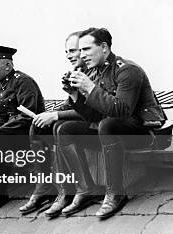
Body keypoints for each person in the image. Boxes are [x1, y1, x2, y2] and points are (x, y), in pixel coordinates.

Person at [57, 27, 166, 218]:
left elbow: (121, 111)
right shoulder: (96, 72)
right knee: (66, 129)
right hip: (111, 134)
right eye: (80, 50)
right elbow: (93, 116)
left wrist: (90, 88)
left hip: (145, 134)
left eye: (87, 49)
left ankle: (115, 192)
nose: (82, 55)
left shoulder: (127, 70)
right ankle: (85, 189)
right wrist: (75, 95)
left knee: (107, 124)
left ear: (104, 47)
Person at [21, 31, 87, 217]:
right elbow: (72, 104)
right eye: (67, 51)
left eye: (74, 50)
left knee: (60, 127)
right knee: (39, 125)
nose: (69, 56)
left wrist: (56, 115)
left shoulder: (90, 73)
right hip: (90, 124)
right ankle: (47, 186)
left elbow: (93, 111)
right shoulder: (79, 72)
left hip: (107, 127)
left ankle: (75, 189)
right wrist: (48, 114)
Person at [0, 45, 45, 216]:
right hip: (14, 129)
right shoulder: (3, 84)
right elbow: (3, 114)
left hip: (31, 130)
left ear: (7, 65)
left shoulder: (23, 81)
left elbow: (28, 116)